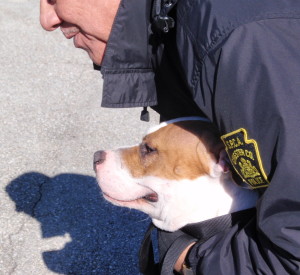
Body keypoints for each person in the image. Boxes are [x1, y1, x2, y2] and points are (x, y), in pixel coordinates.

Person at [40, 0, 300, 274]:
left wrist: (192, 259)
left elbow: (294, 249)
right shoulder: (174, 30)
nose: (47, 20)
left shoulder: (246, 42)